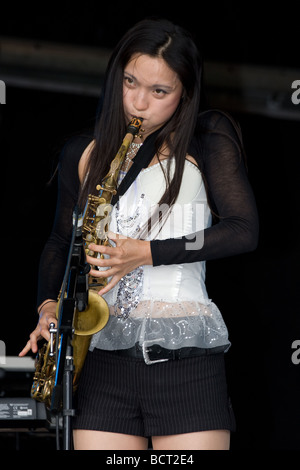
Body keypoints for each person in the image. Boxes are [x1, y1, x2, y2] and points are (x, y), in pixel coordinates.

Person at [20, 18, 259, 450]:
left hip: (186, 361)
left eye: (159, 92)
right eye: (130, 82)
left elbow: (243, 231)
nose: (138, 103)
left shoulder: (207, 139)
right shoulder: (85, 153)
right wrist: (49, 306)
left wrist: (147, 252)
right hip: (103, 364)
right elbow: (59, 242)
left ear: (184, 92)